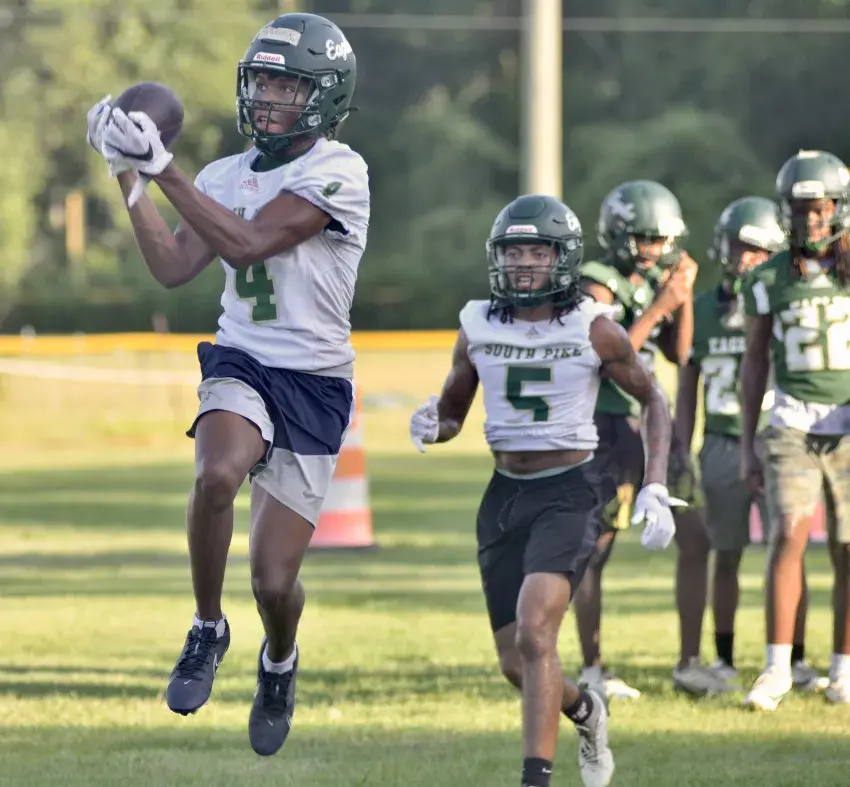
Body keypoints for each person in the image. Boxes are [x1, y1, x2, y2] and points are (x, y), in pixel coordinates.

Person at [86, 13, 369, 754]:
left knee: (274, 582)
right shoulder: (221, 174)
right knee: (216, 473)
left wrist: (162, 168)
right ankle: (207, 627)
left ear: (325, 96)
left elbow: (247, 243)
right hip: (243, 358)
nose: (269, 97)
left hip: (312, 380)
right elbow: (174, 267)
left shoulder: (340, 171)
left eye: (287, 85)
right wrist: (127, 174)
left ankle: (279, 659)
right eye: (263, 82)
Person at [409, 194, 675, 787]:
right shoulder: (476, 323)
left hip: (571, 491)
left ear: (563, 257)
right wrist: (432, 424)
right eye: (514, 252)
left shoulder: (594, 326)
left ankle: (537, 778)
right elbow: (453, 413)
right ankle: (586, 709)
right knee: (517, 662)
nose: (524, 263)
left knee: (536, 632)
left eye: (537, 251)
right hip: (504, 496)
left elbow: (653, 397)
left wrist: (655, 484)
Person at [674, 195, 824, 695]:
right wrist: (682, 448)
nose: (745, 259)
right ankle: (723, 657)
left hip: (778, 436)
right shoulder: (701, 310)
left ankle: (794, 660)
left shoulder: (784, 298)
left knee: (790, 549)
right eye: (739, 248)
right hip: (721, 438)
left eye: (757, 251)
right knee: (726, 553)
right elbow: (687, 387)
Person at [575, 180, 703, 699]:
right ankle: (592, 668)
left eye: (663, 240)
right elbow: (607, 357)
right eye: (648, 239)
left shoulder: (654, 278)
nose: (657, 250)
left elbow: (680, 353)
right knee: (595, 549)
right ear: (620, 236)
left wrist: (681, 300)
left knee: (696, 536)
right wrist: (659, 305)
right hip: (609, 425)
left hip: (652, 422)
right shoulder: (597, 282)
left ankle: (690, 662)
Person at [740, 150, 850, 710]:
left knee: (849, 545)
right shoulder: (768, 277)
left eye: (819, 207)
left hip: (848, 422)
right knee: (787, 532)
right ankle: (778, 667)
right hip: (791, 420)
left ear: (839, 207)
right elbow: (754, 361)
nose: (810, 218)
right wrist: (746, 442)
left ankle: (844, 669)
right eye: (801, 208)